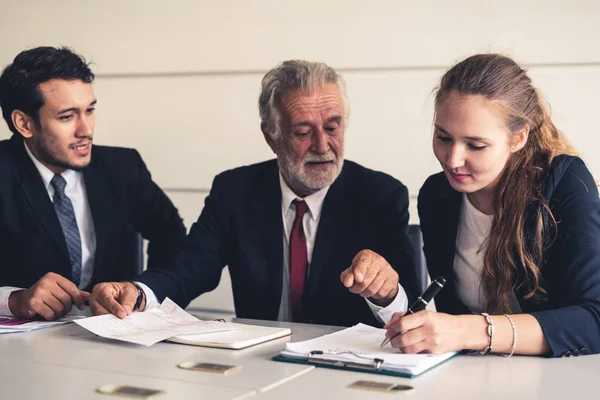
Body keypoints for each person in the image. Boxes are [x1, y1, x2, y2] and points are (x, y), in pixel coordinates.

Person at [90, 60, 419, 327]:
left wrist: (387, 294)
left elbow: (414, 306)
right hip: (258, 365)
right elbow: (190, 268)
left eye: (332, 127)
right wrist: (138, 291)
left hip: (346, 371)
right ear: (271, 136)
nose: (323, 145)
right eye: (303, 132)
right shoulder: (234, 191)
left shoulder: (380, 196)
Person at [380, 54, 600, 357]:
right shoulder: (436, 196)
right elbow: (452, 312)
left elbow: (593, 321)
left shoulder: (565, 181)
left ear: (518, 137)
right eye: (443, 137)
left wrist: (466, 330)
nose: (453, 160)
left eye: (476, 145)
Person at [0, 47, 186, 321]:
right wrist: (14, 300)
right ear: (24, 123)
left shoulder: (123, 167)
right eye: (67, 116)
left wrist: (142, 293)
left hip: (112, 337)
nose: (86, 130)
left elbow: (174, 241)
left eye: (89, 110)